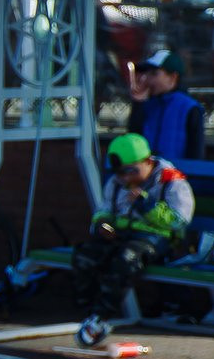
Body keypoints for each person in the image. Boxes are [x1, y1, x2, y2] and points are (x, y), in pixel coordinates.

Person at [71, 132, 195, 342]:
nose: (126, 178)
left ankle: (101, 317)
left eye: (131, 171)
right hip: (121, 234)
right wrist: (102, 224)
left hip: (155, 237)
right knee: (85, 255)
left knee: (125, 259)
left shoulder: (170, 181)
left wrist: (147, 206)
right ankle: (88, 310)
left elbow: (180, 220)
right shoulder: (117, 183)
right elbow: (104, 209)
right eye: (121, 173)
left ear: (147, 161)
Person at [128, 47, 206, 163]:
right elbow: (133, 140)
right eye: (147, 73)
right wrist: (138, 104)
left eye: (154, 74)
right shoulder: (146, 105)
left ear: (173, 77)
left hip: (176, 176)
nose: (148, 79)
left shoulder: (189, 108)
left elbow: (196, 151)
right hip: (147, 175)